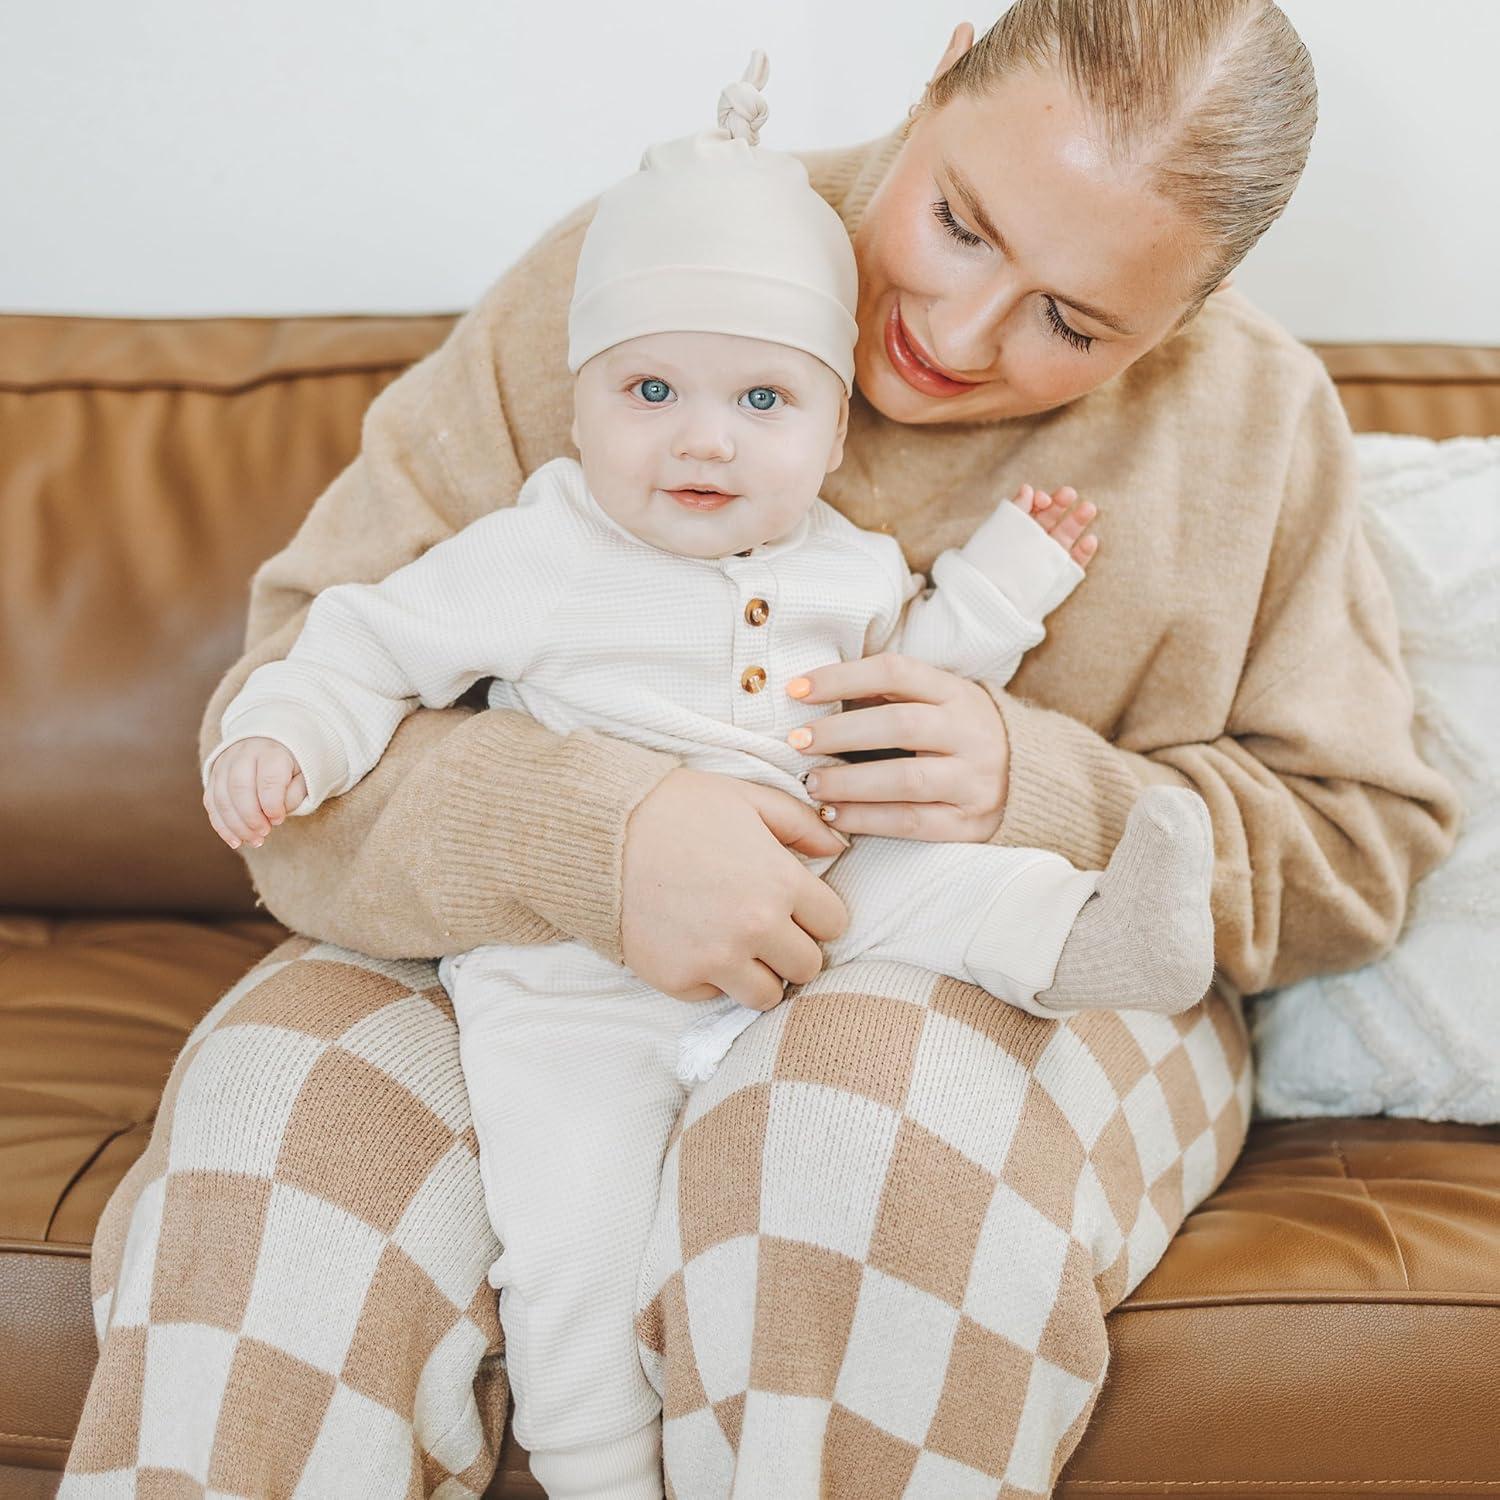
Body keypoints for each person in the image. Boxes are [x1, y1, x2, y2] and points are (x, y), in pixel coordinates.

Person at [63, 3, 1459, 1498]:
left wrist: (1039, 788)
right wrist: (599, 844)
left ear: (1191, 312)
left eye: (1074, 322)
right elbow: (290, 716)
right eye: (963, 225)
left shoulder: (1255, 419)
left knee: (848, 1131)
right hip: (516, 959)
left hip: (1010, 965)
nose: (960, 334)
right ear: (938, 77)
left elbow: (1354, 850)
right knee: (293, 1110)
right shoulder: (649, 266)